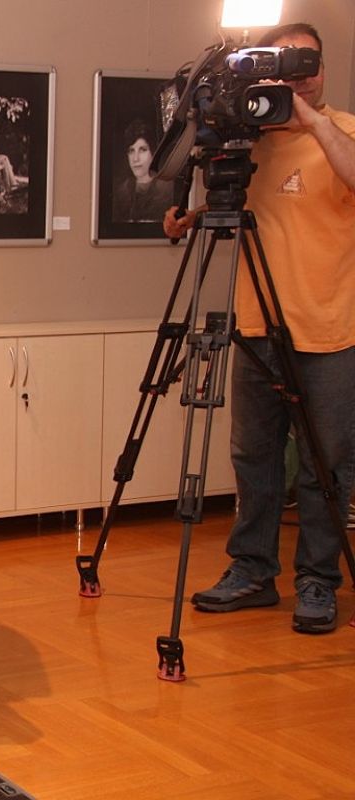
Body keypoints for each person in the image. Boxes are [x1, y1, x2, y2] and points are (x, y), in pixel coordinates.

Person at [165, 22, 355, 634]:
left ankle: (318, 581)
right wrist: (191, 216)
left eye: (309, 64)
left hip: (328, 330)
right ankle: (252, 570)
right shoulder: (254, 141)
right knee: (253, 456)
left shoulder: (343, 131)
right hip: (255, 325)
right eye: (286, 64)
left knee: (326, 465)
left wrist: (311, 120)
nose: (300, 75)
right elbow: (246, 205)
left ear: (324, 69)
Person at [111, 118, 173, 222]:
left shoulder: (167, 190)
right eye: (131, 151)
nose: (135, 159)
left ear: (153, 152)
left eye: (142, 150)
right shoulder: (121, 193)